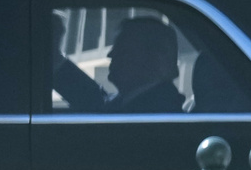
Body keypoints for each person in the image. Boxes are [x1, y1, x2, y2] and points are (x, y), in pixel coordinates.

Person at [53, 15, 185, 113]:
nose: (110, 55)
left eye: (122, 49)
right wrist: (54, 57)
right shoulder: (143, 100)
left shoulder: (155, 112)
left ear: (154, 59)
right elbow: (99, 102)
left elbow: (101, 108)